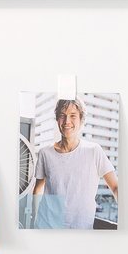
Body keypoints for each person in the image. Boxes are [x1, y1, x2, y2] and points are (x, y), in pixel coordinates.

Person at [30, 98, 118, 231]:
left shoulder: (94, 151)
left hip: (80, 229)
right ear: (57, 120)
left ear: (81, 120)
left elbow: (116, 187)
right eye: (62, 116)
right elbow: (38, 189)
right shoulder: (45, 153)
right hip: (46, 227)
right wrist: (33, 220)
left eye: (73, 116)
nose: (67, 121)